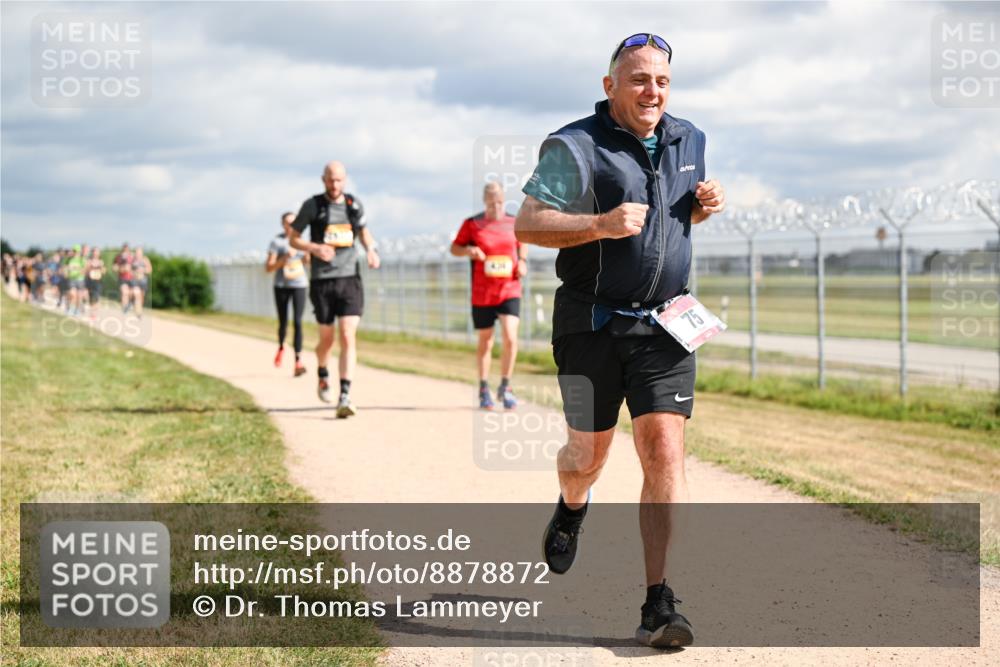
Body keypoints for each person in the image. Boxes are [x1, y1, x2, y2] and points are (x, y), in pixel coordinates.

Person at [515, 33, 725, 649]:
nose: (651, 91)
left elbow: (672, 219)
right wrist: (600, 224)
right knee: (588, 457)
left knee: (664, 449)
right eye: (637, 80)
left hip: (666, 324)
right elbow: (528, 222)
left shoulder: (691, 139)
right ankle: (572, 505)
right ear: (610, 87)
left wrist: (703, 208)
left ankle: (659, 599)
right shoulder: (574, 145)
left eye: (661, 80)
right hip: (590, 326)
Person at [288, 161, 380, 418]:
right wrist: (315, 248)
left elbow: (363, 232)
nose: (335, 185)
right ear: (323, 179)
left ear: (345, 180)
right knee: (327, 340)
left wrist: (371, 250)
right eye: (330, 180)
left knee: (348, 334)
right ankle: (322, 371)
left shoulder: (353, 205)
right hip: (323, 281)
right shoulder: (312, 206)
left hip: (350, 278)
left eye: (339, 180)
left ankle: (345, 395)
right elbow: (293, 238)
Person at [451, 182, 526, 409]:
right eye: (492, 202)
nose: (496, 206)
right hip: (482, 292)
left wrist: (522, 261)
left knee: (511, 336)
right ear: (485, 201)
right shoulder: (472, 224)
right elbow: (454, 248)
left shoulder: (514, 222)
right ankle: (484, 388)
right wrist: (469, 251)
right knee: (486, 341)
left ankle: (506, 386)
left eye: (500, 201)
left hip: (509, 288)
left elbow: (522, 245)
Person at [266, 211, 310, 377]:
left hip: (299, 284)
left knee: (298, 322)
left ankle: (298, 360)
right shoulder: (277, 242)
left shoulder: (302, 241)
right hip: (281, 285)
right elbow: (268, 268)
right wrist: (283, 259)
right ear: (283, 224)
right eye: (288, 223)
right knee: (283, 322)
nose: (291, 226)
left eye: (294, 222)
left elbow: (309, 264)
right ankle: (281, 346)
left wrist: (307, 256)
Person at [130, 247, 152, 319]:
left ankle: (139, 311)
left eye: (139, 252)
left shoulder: (145, 260)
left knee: (141, 297)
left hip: (143, 281)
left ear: (142, 253)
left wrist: (143, 270)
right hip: (135, 281)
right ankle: (137, 311)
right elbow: (129, 270)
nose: (138, 254)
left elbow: (150, 270)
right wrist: (133, 272)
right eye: (137, 252)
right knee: (136, 294)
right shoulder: (132, 260)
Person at [65, 245, 87, 316]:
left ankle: (77, 310)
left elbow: (85, 268)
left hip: (80, 279)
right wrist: (66, 272)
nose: (73, 252)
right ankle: (71, 308)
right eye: (73, 251)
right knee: (72, 294)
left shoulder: (81, 259)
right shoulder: (69, 259)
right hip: (72, 279)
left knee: (79, 296)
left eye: (74, 251)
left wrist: (80, 272)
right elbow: (66, 267)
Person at [85, 247, 105, 320]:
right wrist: (90, 267)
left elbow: (104, 271)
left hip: (98, 281)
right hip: (90, 280)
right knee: (91, 297)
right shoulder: (89, 261)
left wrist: (100, 268)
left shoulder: (101, 262)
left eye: (97, 252)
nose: (96, 253)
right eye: (95, 252)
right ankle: (92, 313)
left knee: (97, 297)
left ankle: (95, 314)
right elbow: (86, 271)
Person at [114, 243, 134, 312]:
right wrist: (121, 269)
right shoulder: (118, 257)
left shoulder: (132, 257)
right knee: (124, 292)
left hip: (131, 278)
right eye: (124, 249)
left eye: (127, 250)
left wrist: (131, 269)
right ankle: (124, 309)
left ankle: (129, 304)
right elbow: (114, 267)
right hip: (122, 278)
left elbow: (136, 267)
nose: (125, 251)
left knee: (131, 293)